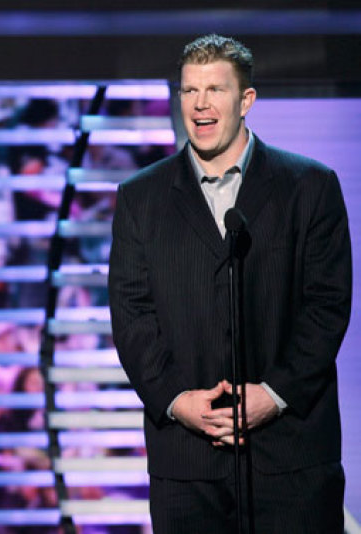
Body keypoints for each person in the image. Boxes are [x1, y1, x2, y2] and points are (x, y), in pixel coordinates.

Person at [108, 34, 351, 533]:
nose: (200, 104)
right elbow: (132, 317)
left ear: (246, 101)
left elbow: (326, 307)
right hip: (188, 467)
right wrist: (179, 400)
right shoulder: (141, 199)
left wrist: (273, 394)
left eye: (215, 89)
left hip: (292, 461)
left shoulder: (310, 187)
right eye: (189, 90)